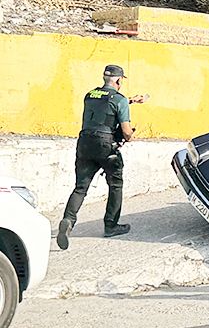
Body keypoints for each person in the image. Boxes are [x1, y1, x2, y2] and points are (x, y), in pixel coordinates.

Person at [56, 65, 148, 249]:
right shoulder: (119, 100)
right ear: (119, 80)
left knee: (81, 187)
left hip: (85, 143)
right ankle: (111, 225)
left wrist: (130, 101)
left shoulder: (90, 95)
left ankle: (68, 220)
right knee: (115, 184)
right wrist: (130, 136)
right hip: (106, 147)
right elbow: (126, 131)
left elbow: (104, 106)